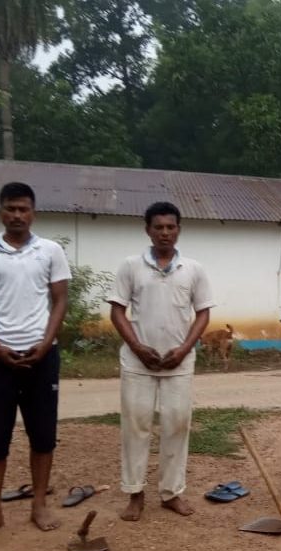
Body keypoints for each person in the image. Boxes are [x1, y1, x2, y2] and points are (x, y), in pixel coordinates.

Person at [0, 182, 71, 541]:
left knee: (43, 436)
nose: (17, 215)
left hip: (42, 357)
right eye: (10, 208)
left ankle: (39, 504)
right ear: (1, 212)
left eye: (23, 208)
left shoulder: (50, 251)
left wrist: (46, 342)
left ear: (33, 212)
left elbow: (60, 300)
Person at [108, 202, 213, 522]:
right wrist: (137, 347)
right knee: (135, 427)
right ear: (148, 230)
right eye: (159, 227)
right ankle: (135, 493)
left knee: (177, 426)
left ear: (179, 230)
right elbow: (117, 311)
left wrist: (184, 349)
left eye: (170, 227)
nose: (165, 233)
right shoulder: (131, 266)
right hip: (138, 362)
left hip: (178, 363)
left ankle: (171, 493)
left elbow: (203, 313)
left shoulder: (193, 269)